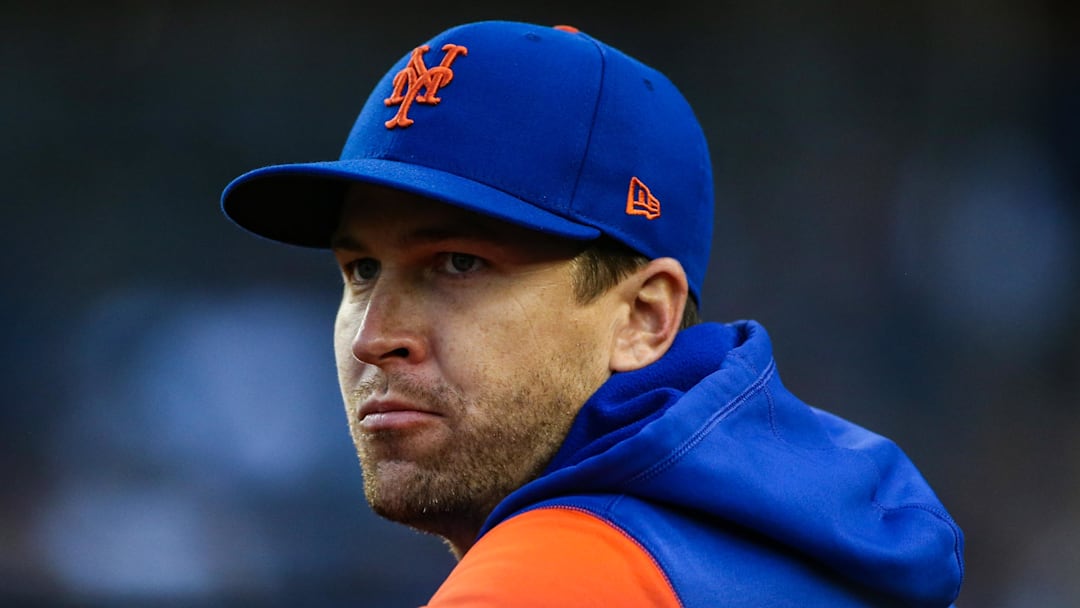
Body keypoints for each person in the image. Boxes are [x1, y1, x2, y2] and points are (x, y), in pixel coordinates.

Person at [221, 20, 964, 607]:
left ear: (644, 317)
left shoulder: (553, 579)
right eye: (361, 271)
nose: (377, 338)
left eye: (458, 264)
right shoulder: (819, 548)